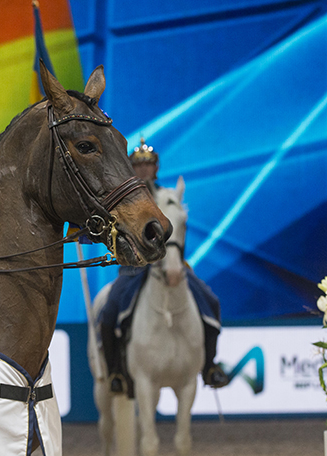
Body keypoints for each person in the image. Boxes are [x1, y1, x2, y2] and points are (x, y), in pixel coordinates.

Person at [97, 139, 229, 393]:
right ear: (130, 168)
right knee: (110, 309)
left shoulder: (168, 197)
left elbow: (179, 231)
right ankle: (116, 372)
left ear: (156, 169)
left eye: (148, 165)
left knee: (211, 301)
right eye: (137, 165)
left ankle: (209, 366)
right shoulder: (123, 202)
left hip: (172, 265)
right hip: (134, 269)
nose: (143, 170)